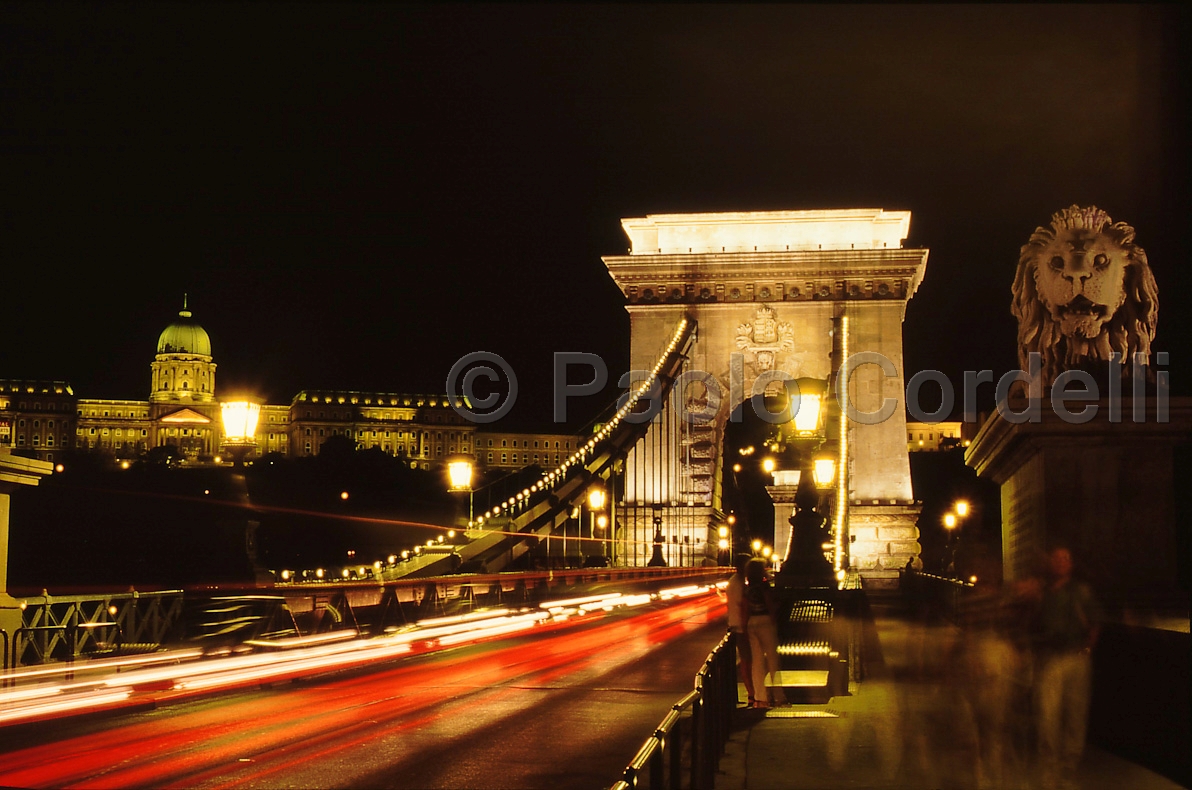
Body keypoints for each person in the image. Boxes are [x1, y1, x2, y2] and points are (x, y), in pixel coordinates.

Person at [1029, 545, 1101, 789]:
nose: (1060, 562)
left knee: (1075, 716)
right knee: (1048, 716)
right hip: (1050, 659)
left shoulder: (1081, 591)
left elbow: (1094, 623)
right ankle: (1050, 768)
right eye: (1056, 558)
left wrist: (1087, 649)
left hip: (1076, 658)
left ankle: (1068, 769)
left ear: (1071, 564)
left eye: (1065, 558)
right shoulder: (1043, 593)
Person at [744, 558, 788, 708]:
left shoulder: (748, 588)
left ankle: (760, 697)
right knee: (772, 660)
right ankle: (778, 695)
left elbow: (745, 609)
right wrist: (774, 620)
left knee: (757, 662)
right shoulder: (764, 587)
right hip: (765, 622)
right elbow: (769, 604)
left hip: (751, 623)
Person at [725, 553, 757, 706]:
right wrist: (745, 628)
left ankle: (750, 693)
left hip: (734, 624)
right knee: (746, 662)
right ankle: (751, 693)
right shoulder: (739, 584)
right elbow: (742, 606)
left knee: (744, 661)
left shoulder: (733, 582)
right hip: (740, 627)